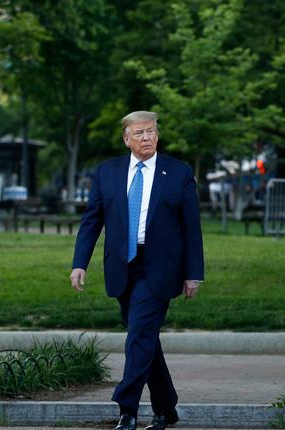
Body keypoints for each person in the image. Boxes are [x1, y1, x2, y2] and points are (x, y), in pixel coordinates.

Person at [69, 111, 204, 430]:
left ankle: (126, 408)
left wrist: (193, 272)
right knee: (145, 338)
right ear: (126, 139)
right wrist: (79, 263)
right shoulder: (107, 173)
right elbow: (92, 221)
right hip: (122, 265)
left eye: (152, 132)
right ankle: (166, 409)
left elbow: (191, 228)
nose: (147, 138)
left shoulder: (178, 172)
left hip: (160, 267)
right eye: (140, 133)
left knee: (139, 335)